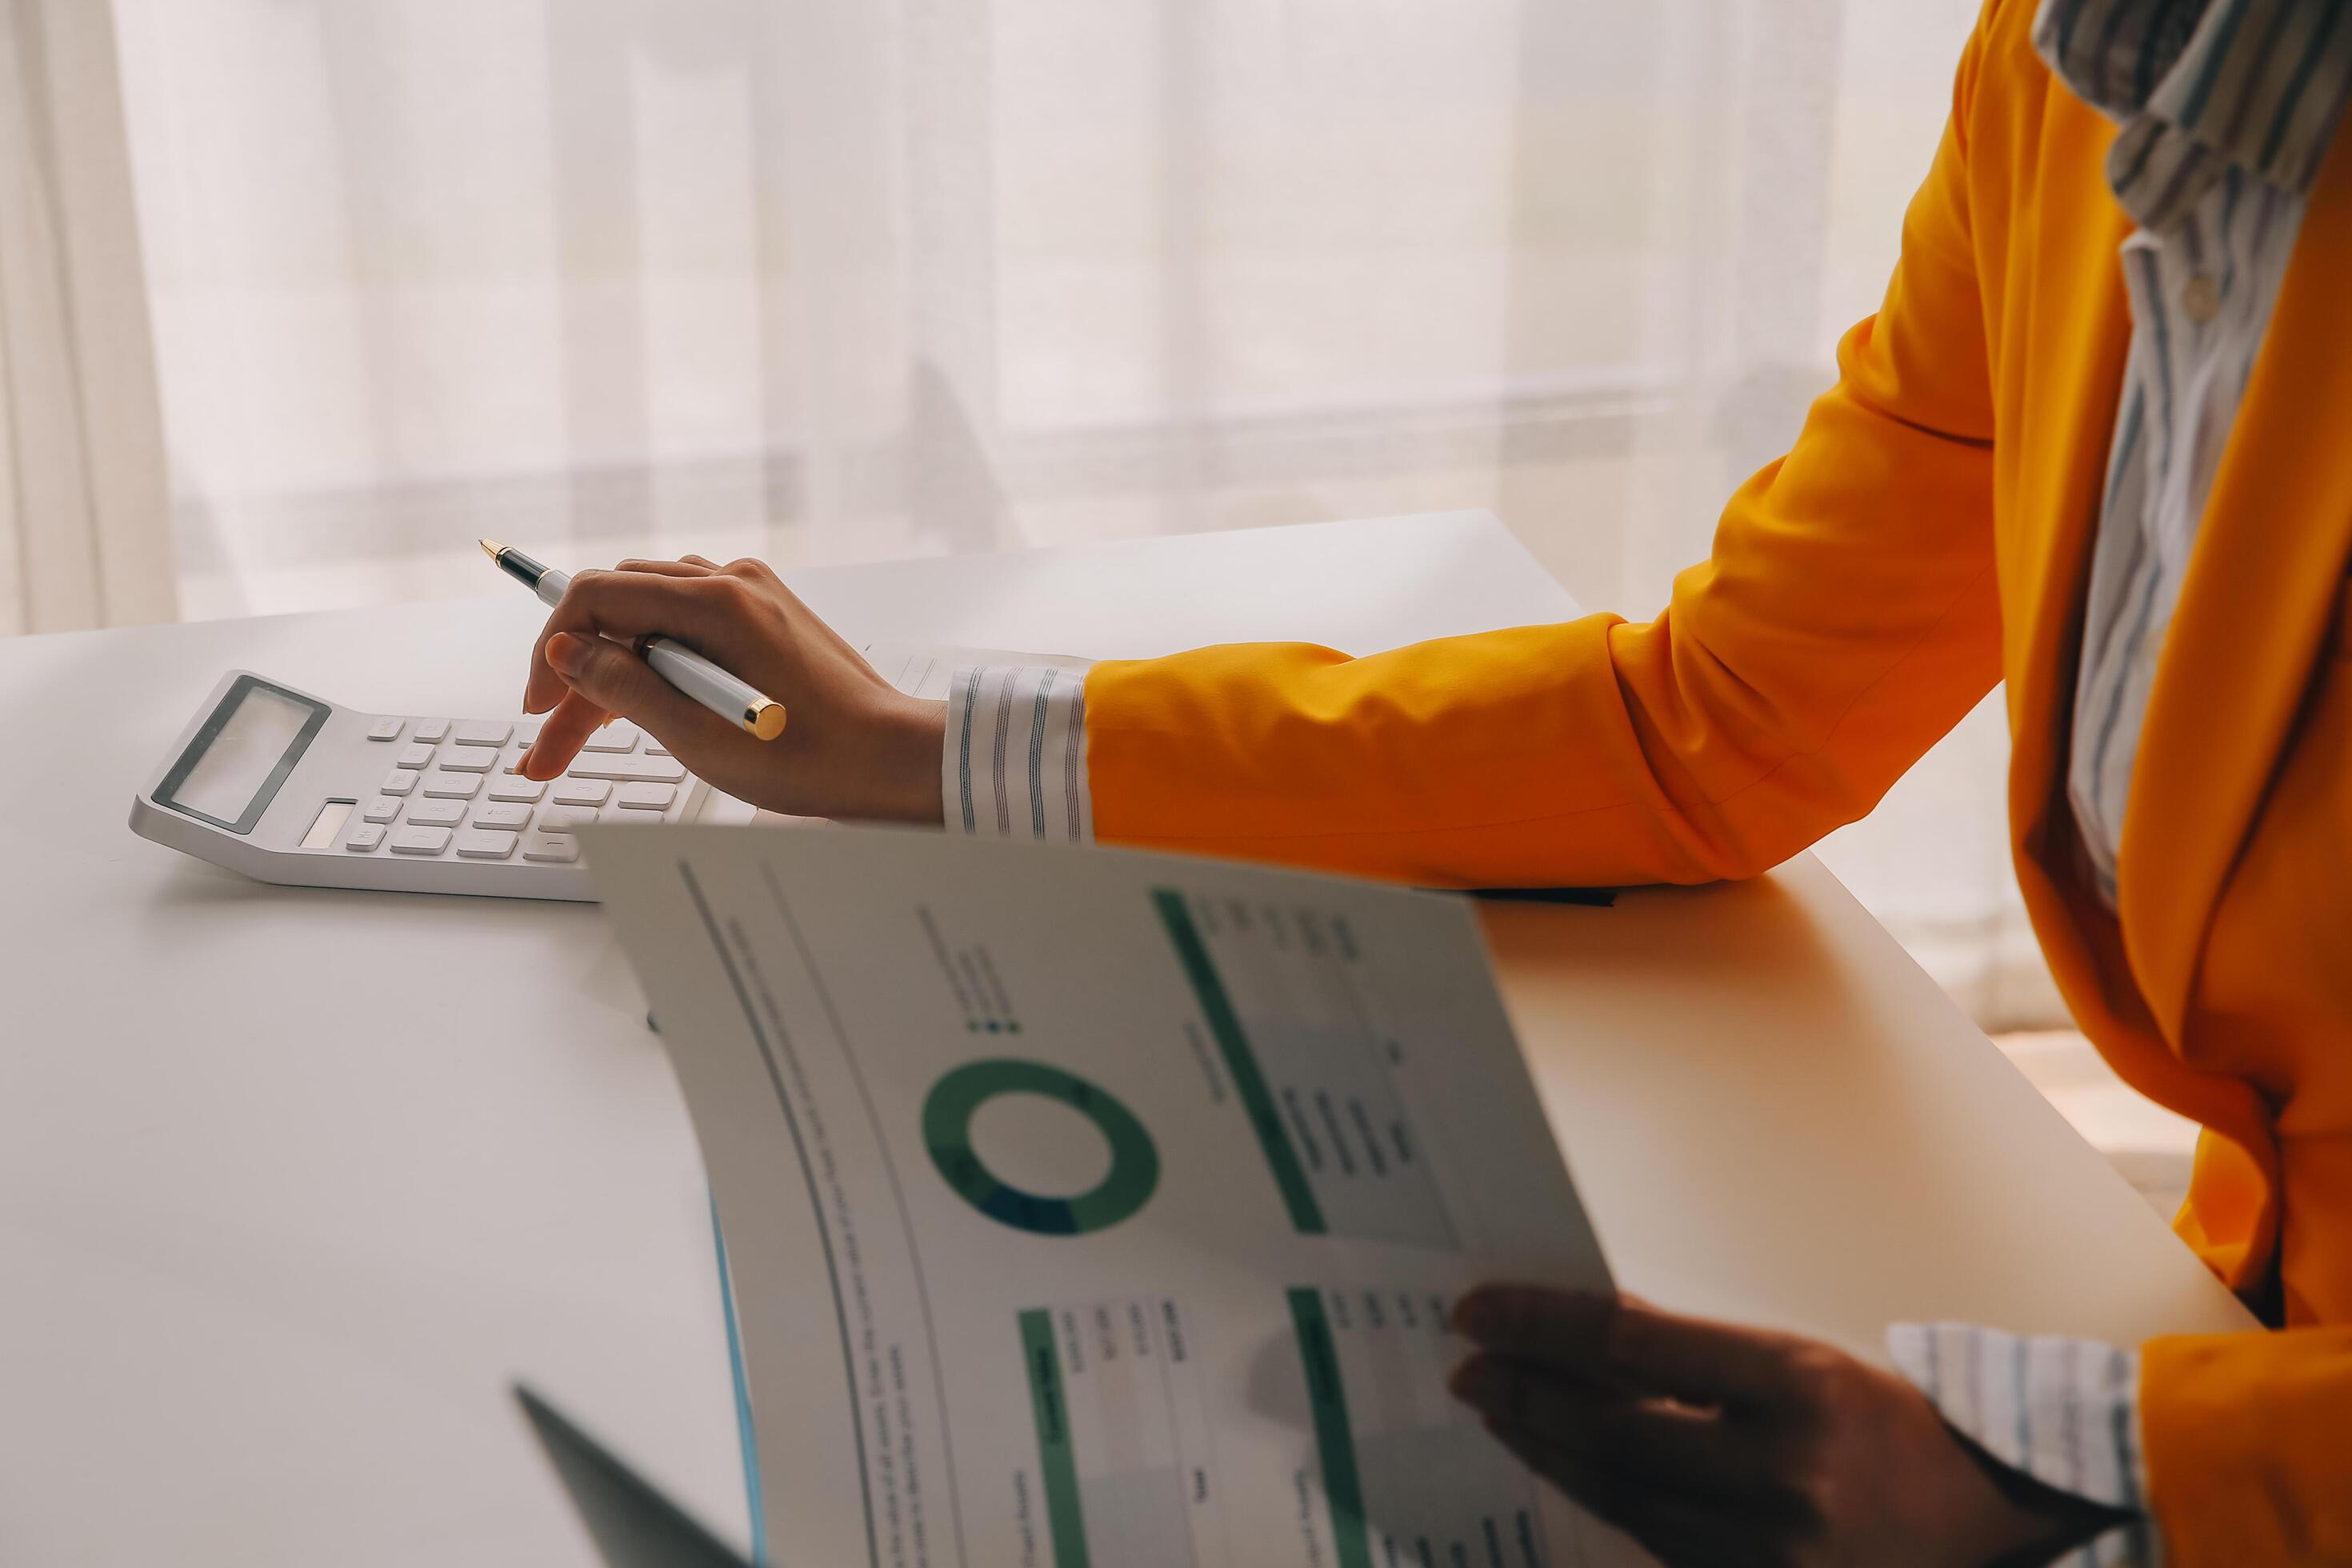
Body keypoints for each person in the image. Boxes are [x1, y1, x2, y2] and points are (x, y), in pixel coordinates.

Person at [511, 0, 2351, 1558]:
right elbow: (1712, 720)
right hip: (2215, 1330)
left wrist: (2089, 1466)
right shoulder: (2075, 68)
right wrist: (930, 752)